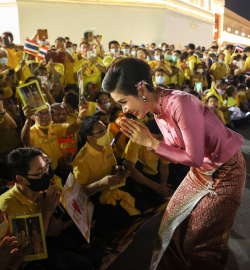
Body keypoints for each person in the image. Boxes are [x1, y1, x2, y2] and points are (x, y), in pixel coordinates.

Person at [102, 57, 245, 270]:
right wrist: (148, 141)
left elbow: (193, 157)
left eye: (123, 102)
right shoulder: (158, 108)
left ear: (141, 91)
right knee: (171, 228)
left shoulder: (180, 103)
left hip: (226, 171)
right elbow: (177, 154)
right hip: (201, 171)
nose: (123, 110)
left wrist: (150, 141)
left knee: (198, 244)